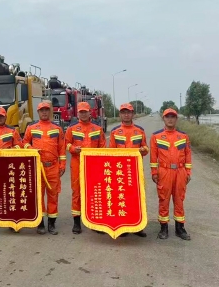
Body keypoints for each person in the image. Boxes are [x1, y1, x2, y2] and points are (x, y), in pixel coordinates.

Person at [22, 101, 66, 235]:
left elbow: (62, 148)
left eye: (46, 110)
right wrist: (31, 148)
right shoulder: (31, 128)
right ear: (38, 112)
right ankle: (40, 223)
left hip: (53, 167)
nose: (44, 112)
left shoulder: (57, 129)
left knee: (53, 196)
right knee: (38, 196)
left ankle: (51, 224)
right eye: (42, 110)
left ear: (50, 111)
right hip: (38, 167)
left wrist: (62, 165)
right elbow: (24, 142)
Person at [150, 108, 192, 240]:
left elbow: (188, 155)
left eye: (172, 117)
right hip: (164, 172)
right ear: (163, 118)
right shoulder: (156, 136)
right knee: (164, 199)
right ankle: (164, 228)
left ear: (176, 119)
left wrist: (188, 172)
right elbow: (153, 157)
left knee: (179, 199)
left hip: (180, 171)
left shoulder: (183, 136)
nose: (170, 119)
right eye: (167, 117)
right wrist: (154, 172)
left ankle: (180, 228)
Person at [65, 102, 106, 234]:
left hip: (94, 165)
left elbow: (102, 147)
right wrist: (73, 149)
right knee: (77, 192)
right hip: (77, 163)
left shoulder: (98, 129)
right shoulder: (71, 129)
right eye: (81, 112)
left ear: (90, 113)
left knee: (94, 192)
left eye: (85, 112)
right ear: (78, 114)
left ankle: (95, 222)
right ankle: (77, 222)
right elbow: (66, 144)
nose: (83, 114)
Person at [109, 103, 149, 238]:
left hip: (136, 170)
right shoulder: (115, 131)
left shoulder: (140, 131)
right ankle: (123, 226)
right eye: (123, 112)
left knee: (137, 198)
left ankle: (138, 227)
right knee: (122, 198)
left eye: (129, 112)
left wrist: (143, 150)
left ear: (133, 114)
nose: (126, 115)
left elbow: (146, 149)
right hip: (120, 171)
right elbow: (111, 153)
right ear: (120, 115)